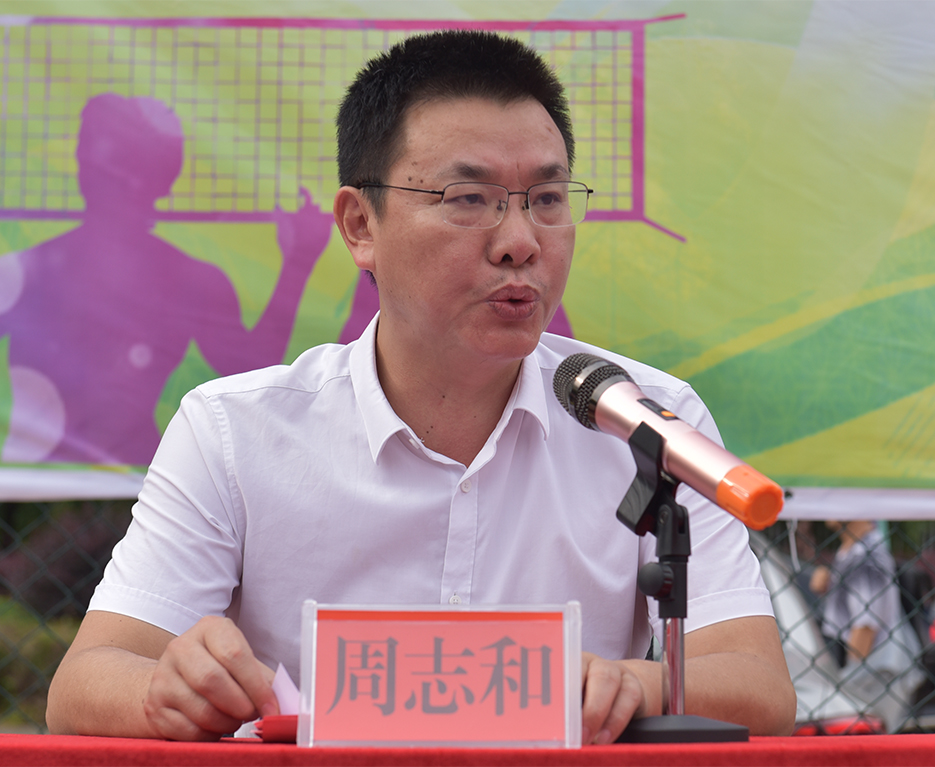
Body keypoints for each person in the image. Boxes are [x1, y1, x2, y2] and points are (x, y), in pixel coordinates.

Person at [46, 30, 796, 742]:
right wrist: (165, 689)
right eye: (468, 199)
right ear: (359, 225)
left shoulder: (644, 421)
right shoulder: (234, 431)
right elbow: (85, 681)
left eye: (547, 199)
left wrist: (638, 683)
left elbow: (759, 684)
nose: (520, 242)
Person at [0, 93, 334, 465]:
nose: (93, 167)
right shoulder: (26, 271)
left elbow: (252, 370)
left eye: (114, 160)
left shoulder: (190, 280)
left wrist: (299, 261)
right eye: (89, 152)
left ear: (158, 178)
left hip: (135, 481)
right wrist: (298, 262)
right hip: (47, 482)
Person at [809, 520, 923, 732]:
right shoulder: (854, 550)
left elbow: (865, 626)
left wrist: (848, 679)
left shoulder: (865, 556)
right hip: (878, 670)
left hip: (874, 673)